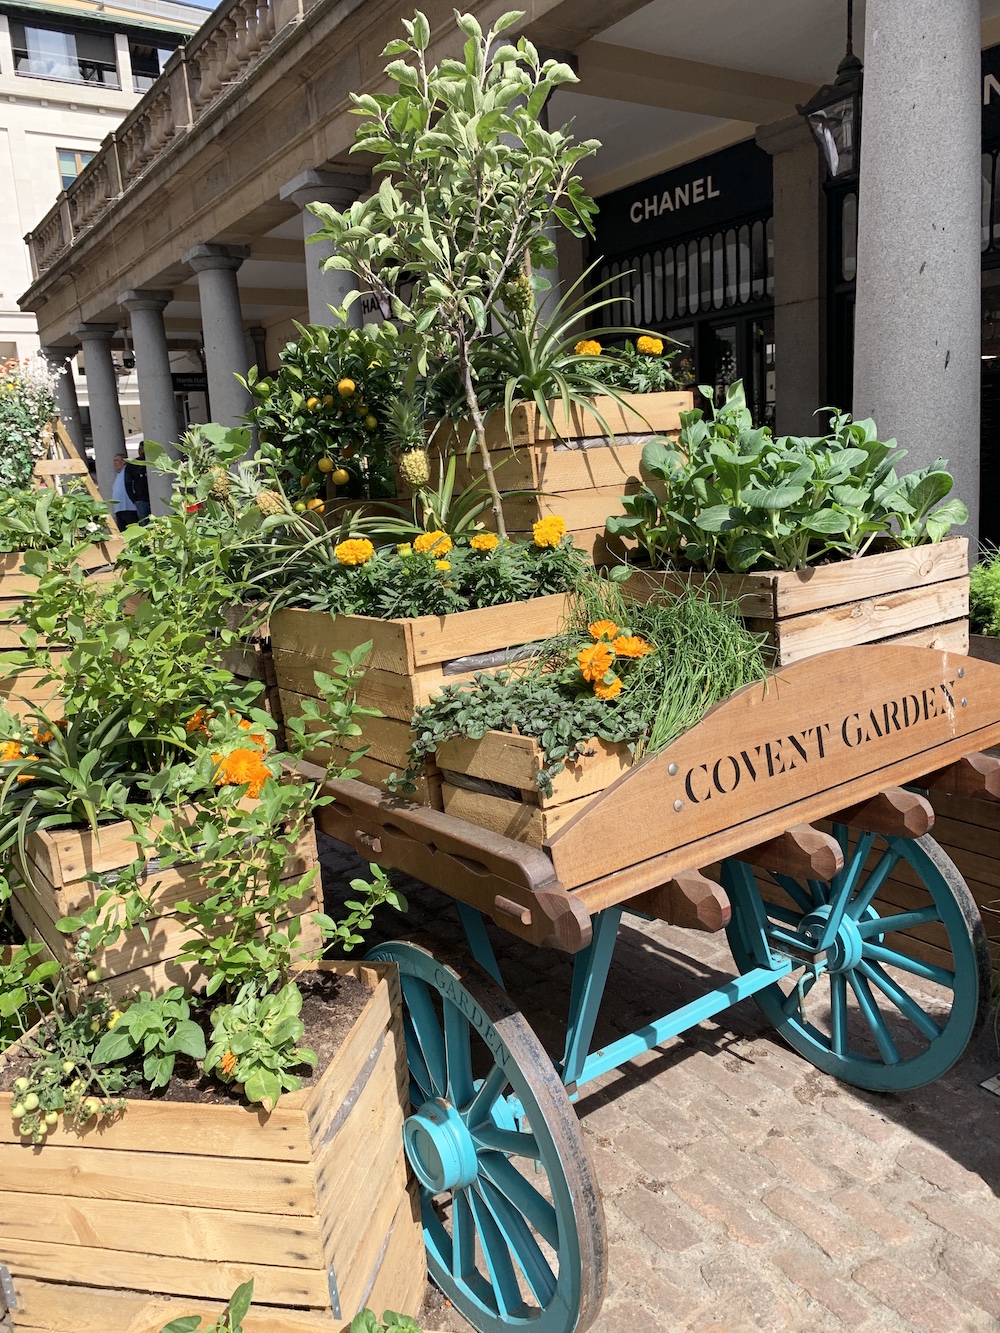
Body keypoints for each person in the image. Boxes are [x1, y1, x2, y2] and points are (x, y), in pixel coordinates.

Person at [111, 453, 138, 530]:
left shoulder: (127, 471)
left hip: (129, 508)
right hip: (119, 509)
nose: (115, 463)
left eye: (117, 460)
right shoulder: (118, 474)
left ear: (123, 461)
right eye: (114, 461)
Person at [127, 442, 151, 524]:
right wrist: (134, 499)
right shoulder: (133, 464)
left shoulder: (152, 462)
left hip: (153, 497)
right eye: (140, 449)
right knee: (144, 523)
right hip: (141, 499)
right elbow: (128, 483)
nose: (141, 452)